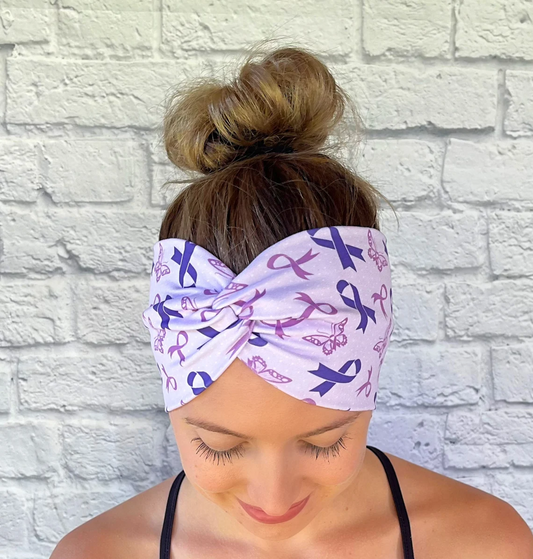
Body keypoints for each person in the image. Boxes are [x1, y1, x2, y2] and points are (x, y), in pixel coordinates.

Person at [51, 42, 533, 559]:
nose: (273, 498)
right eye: (218, 445)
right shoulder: (97, 553)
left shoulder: (485, 544)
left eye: (326, 441)